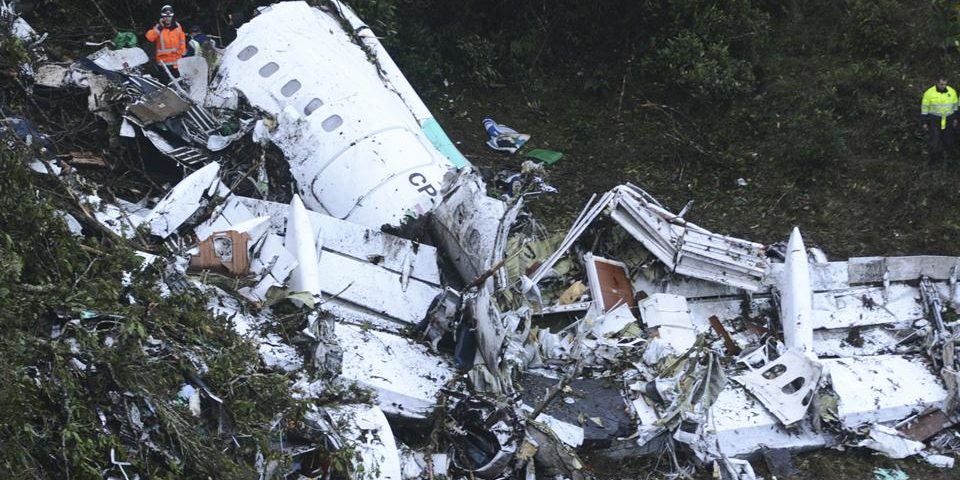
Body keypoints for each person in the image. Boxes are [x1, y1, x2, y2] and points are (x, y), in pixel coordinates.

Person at [921, 75, 959, 166]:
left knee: (949, 142)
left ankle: (947, 163)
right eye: (941, 84)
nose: (943, 86)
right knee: (934, 143)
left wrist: (955, 119)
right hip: (935, 121)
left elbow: (955, 107)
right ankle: (932, 163)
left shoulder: (952, 92)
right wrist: (924, 122)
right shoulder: (929, 93)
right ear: (937, 83)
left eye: (945, 84)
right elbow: (924, 108)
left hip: (948, 121)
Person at [145, 5, 186, 82]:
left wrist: (182, 54)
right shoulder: (158, 28)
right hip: (163, 64)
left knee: (178, 84)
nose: (167, 18)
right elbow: (149, 37)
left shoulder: (177, 27)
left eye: (169, 16)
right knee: (165, 86)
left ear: (172, 16)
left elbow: (182, 41)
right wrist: (159, 28)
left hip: (177, 64)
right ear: (162, 17)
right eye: (165, 16)